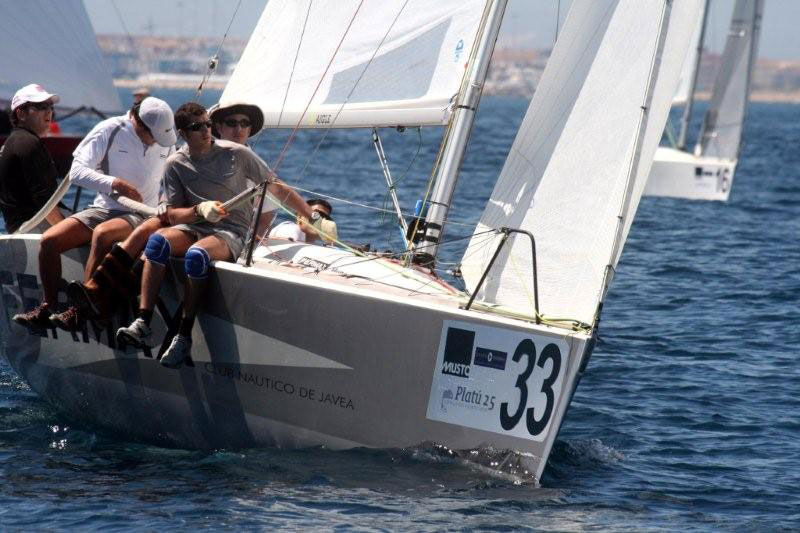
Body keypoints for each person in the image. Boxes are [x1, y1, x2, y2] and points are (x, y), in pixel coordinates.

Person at [113, 102, 326, 368]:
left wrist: (310, 216)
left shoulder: (238, 154)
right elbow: (172, 215)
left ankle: (183, 335)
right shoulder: (175, 164)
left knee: (197, 256)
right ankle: (143, 321)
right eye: (197, 127)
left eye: (207, 124)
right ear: (182, 133)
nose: (206, 130)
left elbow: (278, 188)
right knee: (156, 243)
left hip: (231, 231)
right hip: (195, 226)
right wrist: (199, 209)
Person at [12, 97, 176, 329]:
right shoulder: (110, 129)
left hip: (141, 214)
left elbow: (173, 179)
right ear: (138, 123)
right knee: (49, 241)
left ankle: (79, 310)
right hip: (104, 207)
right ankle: (49, 306)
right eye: (153, 137)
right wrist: (115, 183)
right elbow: (77, 172)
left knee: (102, 233)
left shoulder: (165, 138)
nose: (156, 143)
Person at [0, 84, 64, 233]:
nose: (49, 111)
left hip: (19, 226)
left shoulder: (15, 140)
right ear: (21, 114)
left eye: (50, 107)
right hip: (34, 225)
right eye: (41, 106)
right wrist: (68, 233)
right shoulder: (28, 143)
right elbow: (44, 202)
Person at [269, 198, 334, 244]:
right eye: (316, 214)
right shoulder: (290, 229)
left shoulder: (315, 244)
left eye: (325, 218)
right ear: (299, 216)